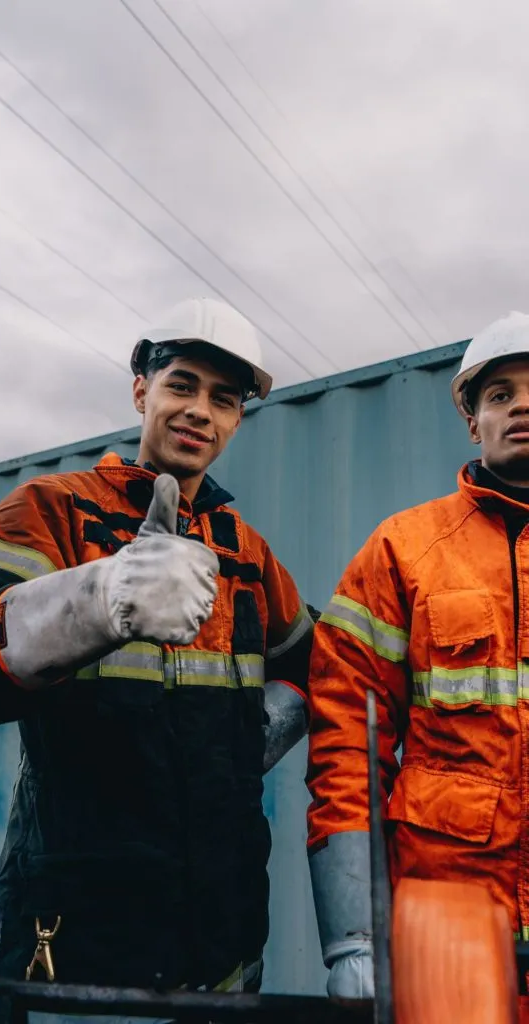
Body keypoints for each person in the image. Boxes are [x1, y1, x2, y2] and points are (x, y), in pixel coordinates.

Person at [0, 297, 312, 995]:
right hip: (73, 928)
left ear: (238, 419)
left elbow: (309, 663)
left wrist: (250, 744)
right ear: (141, 389)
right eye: (181, 385)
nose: (200, 412)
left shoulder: (244, 552)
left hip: (224, 932)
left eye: (224, 399)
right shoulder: (50, 509)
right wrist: (97, 598)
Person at [306, 311, 529, 1000]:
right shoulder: (405, 549)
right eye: (500, 394)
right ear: (472, 421)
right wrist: (353, 938)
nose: (521, 405)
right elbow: (346, 740)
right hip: (448, 913)